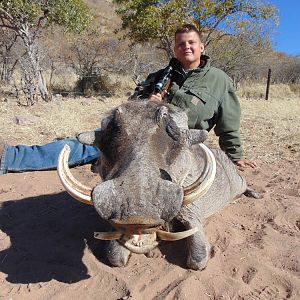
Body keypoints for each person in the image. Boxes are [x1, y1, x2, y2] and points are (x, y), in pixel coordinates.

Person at [0, 24, 256, 175]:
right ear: (175, 49)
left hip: (179, 144)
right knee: (81, 144)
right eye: (180, 44)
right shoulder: (159, 75)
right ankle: (10, 157)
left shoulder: (220, 80)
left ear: (202, 47)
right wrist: (147, 102)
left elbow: (228, 126)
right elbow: (129, 108)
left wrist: (235, 157)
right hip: (139, 133)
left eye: (191, 43)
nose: (186, 47)